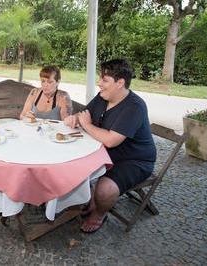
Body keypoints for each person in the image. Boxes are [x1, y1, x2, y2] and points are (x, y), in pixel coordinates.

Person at [64, 59, 156, 233]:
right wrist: (75, 118)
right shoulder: (102, 97)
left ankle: (99, 214)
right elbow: (84, 115)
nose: (100, 83)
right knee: (70, 163)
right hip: (104, 152)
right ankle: (90, 199)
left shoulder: (135, 106)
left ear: (120, 83)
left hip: (134, 160)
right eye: (101, 79)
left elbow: (111, 140)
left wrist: (87, 125)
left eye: (105, 80)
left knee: (105, 189)